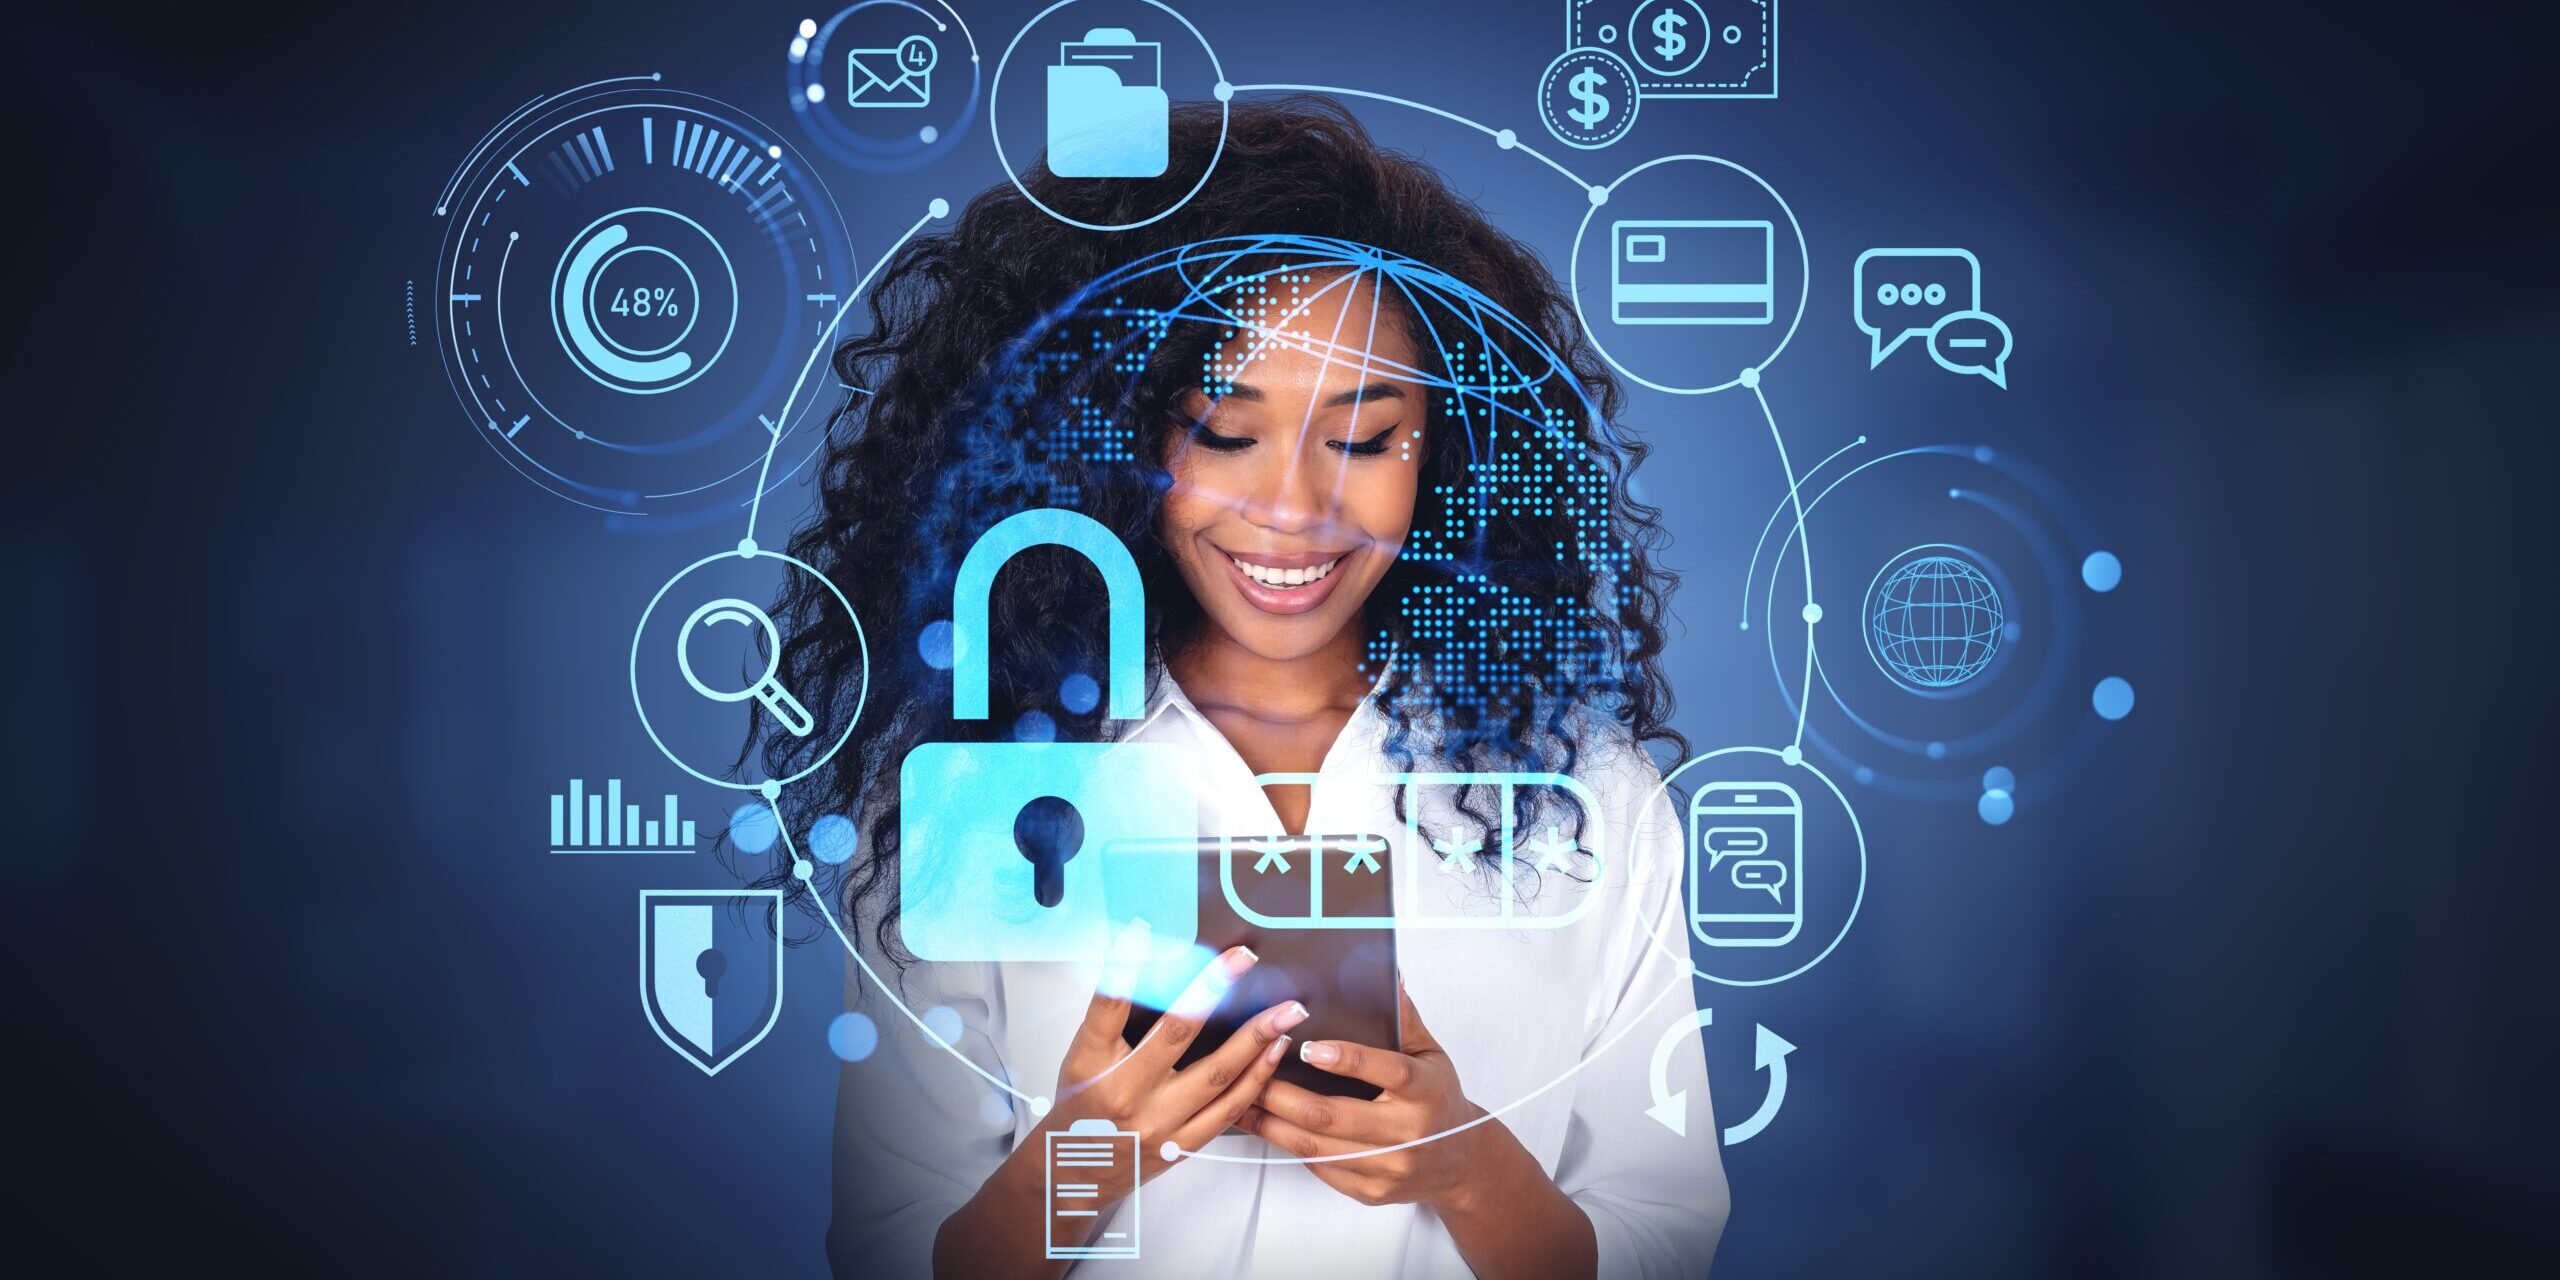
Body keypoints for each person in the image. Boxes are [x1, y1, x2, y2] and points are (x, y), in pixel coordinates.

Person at [759, 99, 1728, 1278]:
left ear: (1451, 451)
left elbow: (1661, 1238)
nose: (1294, 509)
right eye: (1222, 431)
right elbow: (893, 1254)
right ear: (1110, 439)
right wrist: (1087, 1156)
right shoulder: (986, 789)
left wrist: (1467, 1166)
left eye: (1365, 440)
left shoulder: (1583, 801)